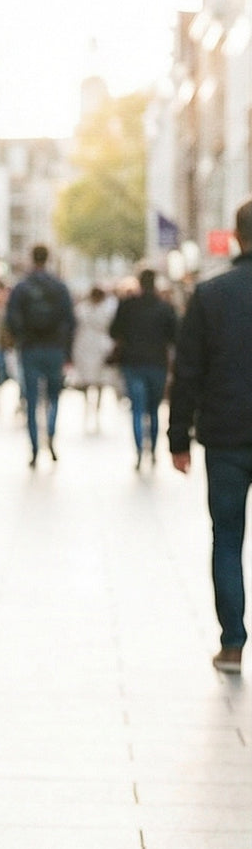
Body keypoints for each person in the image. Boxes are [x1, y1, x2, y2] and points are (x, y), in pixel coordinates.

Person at [168, 198, 252, 675]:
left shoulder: (210, 295)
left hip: (226, 437)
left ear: (237, 237)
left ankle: (233, 643)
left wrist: (178, 436)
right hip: (226, 433)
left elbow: (189, 371)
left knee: (227, 538)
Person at [5, 243, 75, 466]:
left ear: (31, 258)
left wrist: (21, 338)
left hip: (30, 349)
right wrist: (67, 350)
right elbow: (70, 321)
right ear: (48, 259)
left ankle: (34, 447)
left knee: (32, 400)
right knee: (54, 396)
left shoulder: (22, 287)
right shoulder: (59, 287)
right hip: (54, 349)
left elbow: (11, 319)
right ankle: (51, 435)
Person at [110, 268, 177, 470]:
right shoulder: (165, 307)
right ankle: (154, 449)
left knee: (137, 409)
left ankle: (139, 450)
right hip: (156, 363)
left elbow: (114, 331)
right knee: (153, 409)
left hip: (132, 363)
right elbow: (174, 336)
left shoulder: (128, 305)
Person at [70, 283, 118, 431]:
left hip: (88, 347)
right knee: (96, 383)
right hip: (96, 347)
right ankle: (93, 410)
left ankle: (91, 410)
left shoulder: (83, 309)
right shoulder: (107, 310)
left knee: (93, 382)